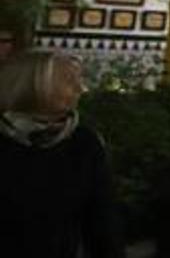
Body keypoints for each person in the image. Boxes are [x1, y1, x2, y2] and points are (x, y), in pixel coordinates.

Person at [0, 50, 124, 258]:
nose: (81, 89)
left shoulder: (83, 142)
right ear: (33, 85)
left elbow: (103, 222)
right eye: (68, 81)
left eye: (79, 80)